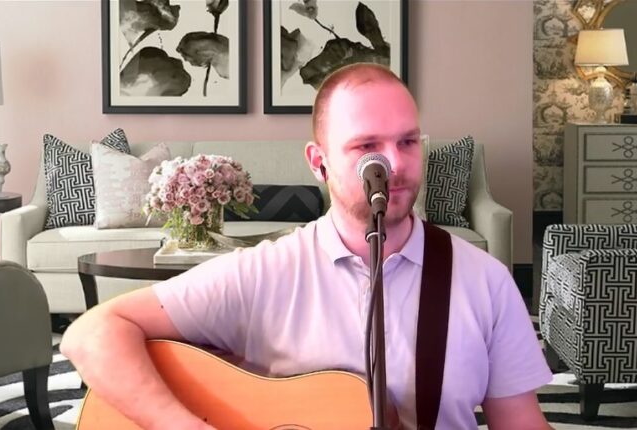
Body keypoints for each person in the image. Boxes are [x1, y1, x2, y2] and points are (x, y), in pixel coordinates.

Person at [61, 63, 553, 430]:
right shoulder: (264, 272)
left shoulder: (484, 280)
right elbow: (90, 334)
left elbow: (520, 422)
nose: (395, 165)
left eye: (407, 142)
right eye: (367, 147)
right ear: (319, 163)